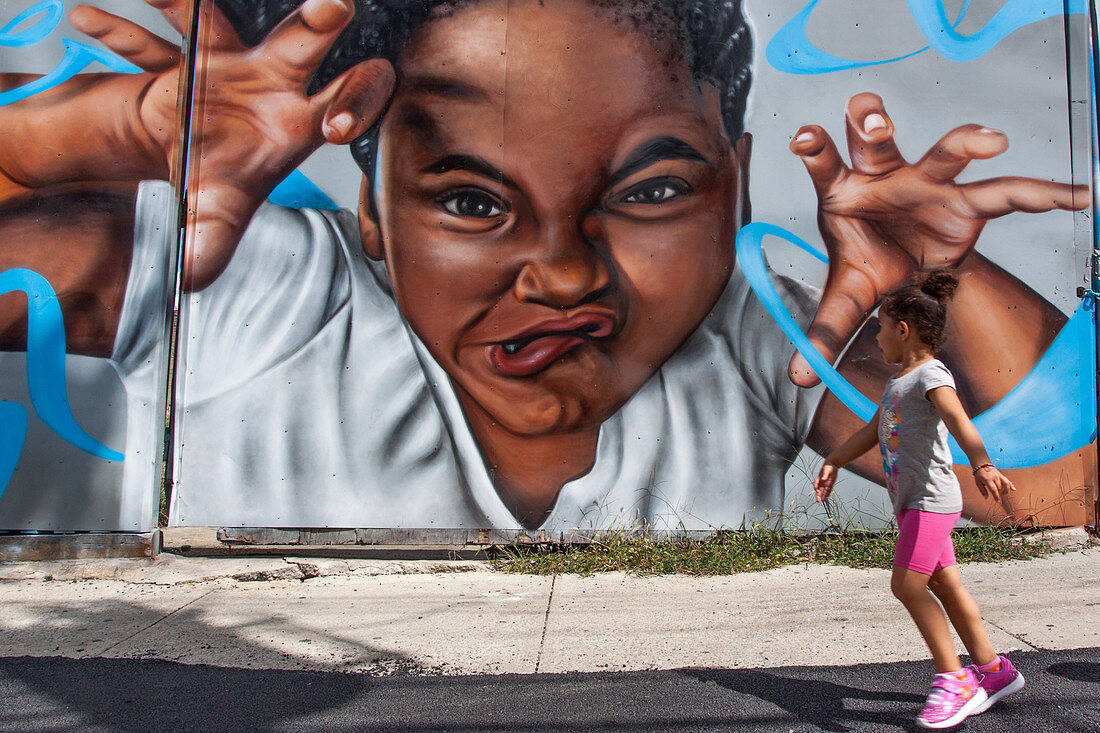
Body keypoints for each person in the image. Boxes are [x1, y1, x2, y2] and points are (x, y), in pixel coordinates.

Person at [0, 0, 1089, 529]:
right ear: (372, 216)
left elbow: (1048, 495)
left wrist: (936, 279)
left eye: (651, 192)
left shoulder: (757, 343)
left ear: (737, 188)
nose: (563, 274)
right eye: (471, 201)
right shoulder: (265, 293)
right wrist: (95, 135)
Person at [813, 271, 1026, 729]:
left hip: (931, 500)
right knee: (946, 584)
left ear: (903, 329)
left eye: (881, 326)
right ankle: (993, 671)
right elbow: (874, 429)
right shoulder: (900, 382)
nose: (876, 333)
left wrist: (983, 464)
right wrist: (834, 458)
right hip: (913, 500)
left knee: (907, 585)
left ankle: (954, 679)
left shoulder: (930, 374)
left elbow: (958, 418)